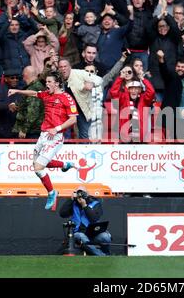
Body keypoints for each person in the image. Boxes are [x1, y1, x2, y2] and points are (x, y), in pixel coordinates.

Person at [8, 71, 78, 210]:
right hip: (44, 135)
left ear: (57, 83)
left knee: (39, 168)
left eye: (49, 82)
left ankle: (52, 192)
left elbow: (73, 119)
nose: (47, 84)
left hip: (55, 136)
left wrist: (57, 129)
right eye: (46, 82)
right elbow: (33, 93)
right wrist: (17, 91)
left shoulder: (66, 97)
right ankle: (65, 165)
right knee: (36, 166)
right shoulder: (46, 94)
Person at [59, 185, 111, 256]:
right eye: (78, 193)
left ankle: (106, 253)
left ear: (87, 194)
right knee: (80, 236)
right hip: (78, 233)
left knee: (105, 237)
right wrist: (70, 200)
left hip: (93, 233)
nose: (80, 195)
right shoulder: (73, 203)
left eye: (82, 193)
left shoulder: (95, 203)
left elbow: (94, 218)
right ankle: (102, 256)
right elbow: (62, 214)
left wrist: (85, 206)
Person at [13, 66, 45, 139]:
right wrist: (16, 105)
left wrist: (24, 129)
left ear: (26, 75)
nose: (23, 79)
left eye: (23, 76)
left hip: (33, 131)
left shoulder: (33, 88)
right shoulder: (39, 86)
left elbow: (33, 111)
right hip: (36, 129)